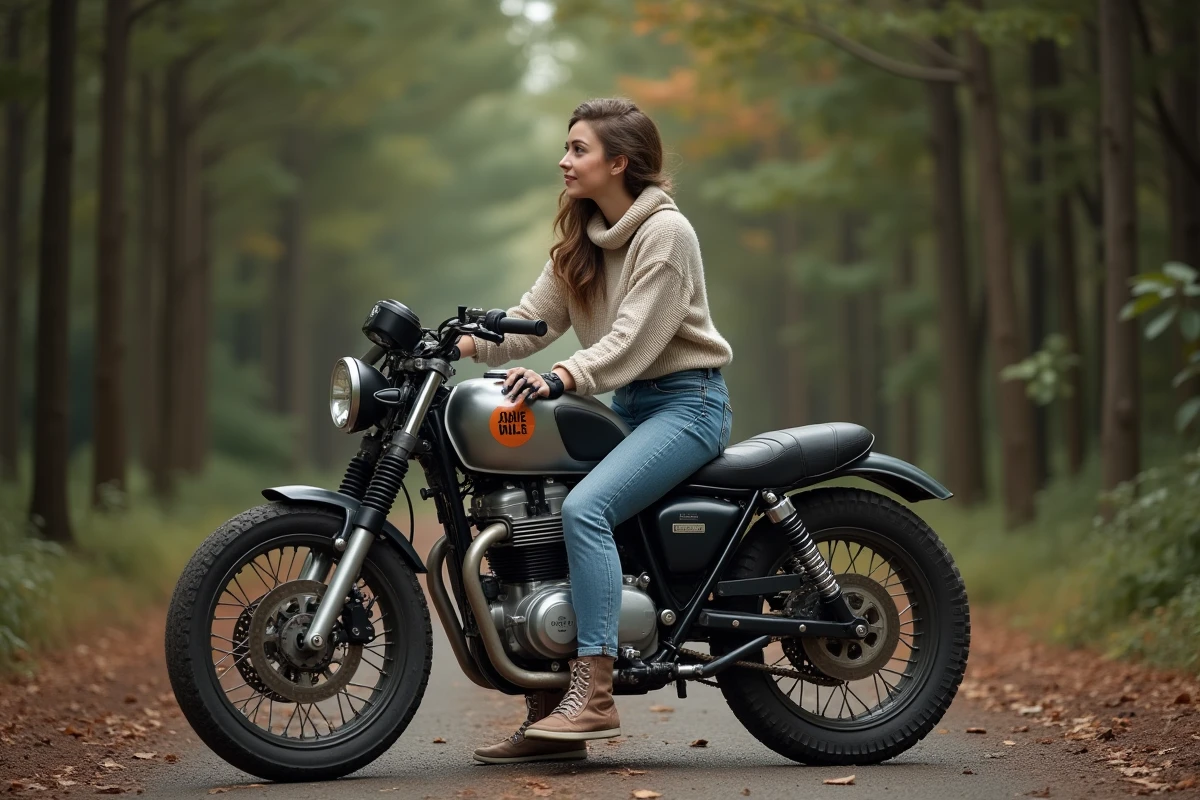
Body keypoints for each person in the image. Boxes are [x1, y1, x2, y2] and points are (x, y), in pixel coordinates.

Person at [455, 97, 734, 765]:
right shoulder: (583, 237)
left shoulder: (667, 234)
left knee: (585, 509)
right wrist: (460, 341)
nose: (564, 160)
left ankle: (597, 693)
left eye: (578, 149)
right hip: (630, 408)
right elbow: (531, 321)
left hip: (685, 405)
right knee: (538, 512)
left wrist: (562, 377)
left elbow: (634, 339)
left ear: (620, 162)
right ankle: (549, 709)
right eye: (566, 147)